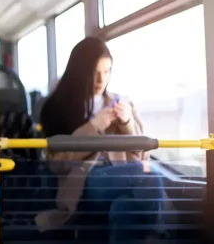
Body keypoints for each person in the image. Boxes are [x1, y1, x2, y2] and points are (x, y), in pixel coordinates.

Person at [35, 37, 165, 242]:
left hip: (122, 178)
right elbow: (57, 164)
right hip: (83, 184)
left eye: (107, 72)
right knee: (150, 177)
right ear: (80, 73)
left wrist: (128, 123)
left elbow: (143, 155)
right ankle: (157, 234)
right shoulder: (56, 107)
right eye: (94, 73)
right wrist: (94, 127)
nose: (101, 80)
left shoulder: (122, 103)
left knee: (124, 208)